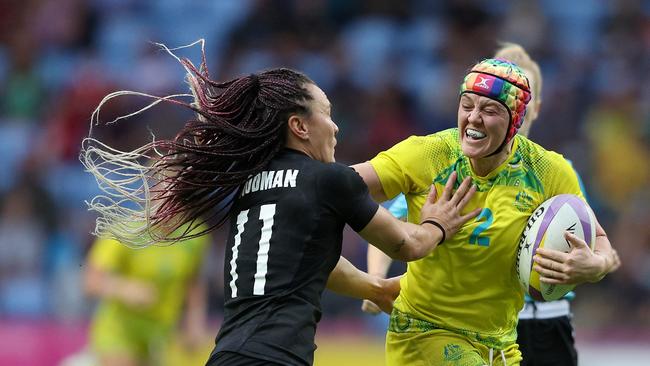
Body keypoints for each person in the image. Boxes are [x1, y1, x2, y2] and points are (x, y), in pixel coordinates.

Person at [80, 43, 481, 366]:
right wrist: (437, 224)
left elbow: (307, 257)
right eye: (327, 114)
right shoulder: (330, 180)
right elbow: (407, 246)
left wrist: (373, 287)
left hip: (226, 356)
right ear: (300, 126)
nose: (336, 126)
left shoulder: (249, 187)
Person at [360, 43, 621, 366]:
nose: (473, 118)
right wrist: (375, 275)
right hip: (425, 331)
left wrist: (595, 265)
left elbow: (603, 243)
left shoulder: (549, 171)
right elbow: (345, 187)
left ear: (516, 120)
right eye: (466, 104)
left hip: (501, 342)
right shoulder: (429, 154)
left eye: (490, 110)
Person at [83, 222, 212, 366]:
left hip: (161, 333)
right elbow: (91, 281)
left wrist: (194, 322)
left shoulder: (195, 235)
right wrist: (125, 289)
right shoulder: (126, 229)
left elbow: (193, 282)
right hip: (120, 330)